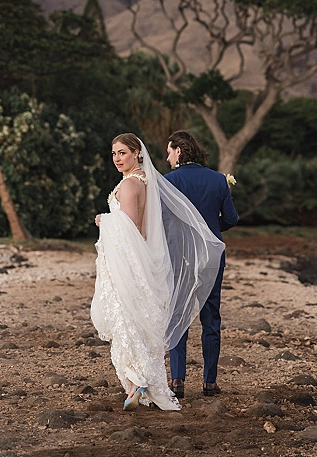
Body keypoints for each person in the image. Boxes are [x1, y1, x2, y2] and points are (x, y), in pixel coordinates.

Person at [91, 133, 225, 412]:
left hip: (130, 260)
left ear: (137, 153)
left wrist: (104, 221)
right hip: (143, 257)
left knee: (128, 318)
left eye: (122, 153)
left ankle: (139, 382)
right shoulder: (148, 181)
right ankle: (144, 383)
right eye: (113, 153)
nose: (117, 158)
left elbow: (130, 227)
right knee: (141, 319)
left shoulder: (130, 185)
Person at [165, 130, 238, 398]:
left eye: (169, 151)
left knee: (178, 316)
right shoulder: (219, 180)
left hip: (180, 259)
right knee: (211, 318)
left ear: (179, 151)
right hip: (211, 258)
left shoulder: (168, 181)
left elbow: (162, 222)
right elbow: (231, 218)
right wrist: (208, 230)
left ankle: (178, 381)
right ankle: (209, 382)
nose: (167, 157)